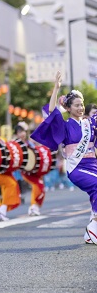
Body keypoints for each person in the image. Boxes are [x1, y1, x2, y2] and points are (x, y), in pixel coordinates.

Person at [30, 71, 97, 244]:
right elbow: (52, 111)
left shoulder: (89, 123)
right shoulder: (65, 125)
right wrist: (56, 88)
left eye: (82, 105)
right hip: (77, 168)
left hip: (93, 165)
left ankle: (90, 232)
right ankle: (93, 228)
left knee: (94, 194)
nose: (81, 108)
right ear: (68, 108)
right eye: (76, 105)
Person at [14, 122, 45, 216]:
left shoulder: (29, 143)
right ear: (16, 134)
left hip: (32, 170)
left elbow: (36, 153)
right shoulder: (14, 144)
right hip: (22, 172)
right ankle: (33, 206)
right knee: (37, 185)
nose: (22, 134)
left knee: (40, 187)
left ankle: (35, 207)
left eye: (23, 131)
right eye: (19, 132)